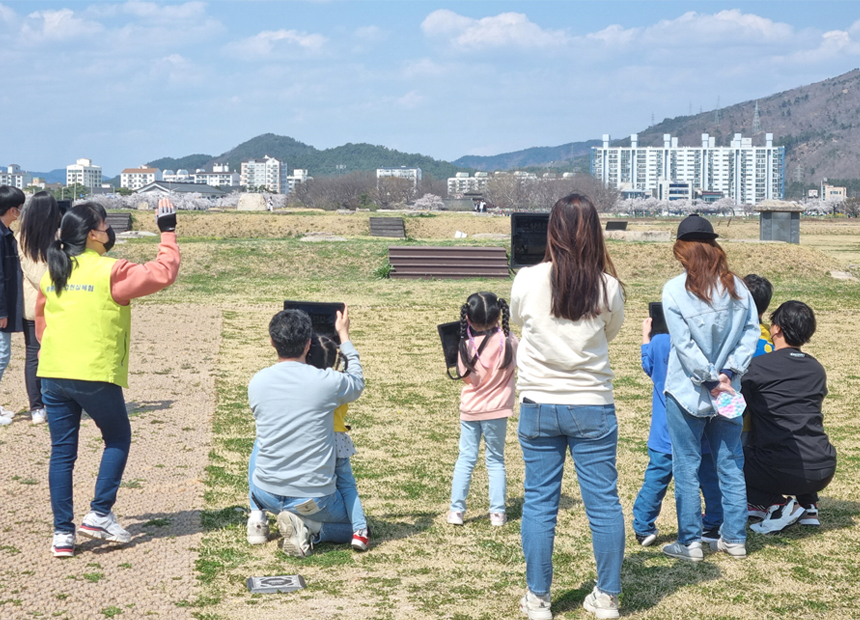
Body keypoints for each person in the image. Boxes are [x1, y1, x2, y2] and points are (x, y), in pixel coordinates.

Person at [37, 199, 180, 558]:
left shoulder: (52, 271)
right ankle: (99, 512)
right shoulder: (111, 271)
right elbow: (163, 273)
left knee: (62, 453)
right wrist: (168, 230)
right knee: (117, 437)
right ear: (92, 235)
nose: (108, 230)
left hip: (52, 372)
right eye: (103, 225)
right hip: (95, 372)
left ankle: (62, 534)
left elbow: (42, 327)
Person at [511, 193, 625, 620]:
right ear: (594, 230)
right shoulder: (608, 285)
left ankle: (538, 598)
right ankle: (606, 597)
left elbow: (522, 320)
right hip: (592, 402)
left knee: (540, 503)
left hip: (538, 401)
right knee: (604, 504)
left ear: (552, 229)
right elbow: (609, 334)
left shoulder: (528, 278)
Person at [660, 214, 759, 563]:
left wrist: (709, 379)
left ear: (682, 251)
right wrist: (729, 373)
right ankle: (734, 538)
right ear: (714, 247)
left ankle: (690, 542)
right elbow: (751, 334)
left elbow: (684, 346)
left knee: (686, 466)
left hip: (689, 391)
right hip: (729, 391)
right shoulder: (738, 288)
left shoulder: (674, 290)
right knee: (730, 462)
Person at [247, 308, 364, 557]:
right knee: (353, 527)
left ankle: (256, 518)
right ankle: (311, 527)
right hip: (313, 500)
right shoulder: (326, 381)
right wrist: (344, 336)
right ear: (308, 343)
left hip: (265, 493)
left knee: (260, 440)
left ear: (272, 342)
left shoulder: (257, 382)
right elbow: (356, 382)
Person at [742, 301, 836, 534]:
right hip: (824, 467)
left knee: (727, 459)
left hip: (782, 469)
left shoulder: (758, 367)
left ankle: (779, 503)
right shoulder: (817, 369)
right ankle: (809, 505)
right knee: (800, 435)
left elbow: (737, 406)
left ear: (776, 329)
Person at [631, 316, 723, 547]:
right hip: (700, 430)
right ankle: (714, 522)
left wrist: (646, 336)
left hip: (664, 433)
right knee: (709, 480)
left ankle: (643, 527)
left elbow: (648, 365)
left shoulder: (660, 342)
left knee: (656, 480)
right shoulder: (707, 344)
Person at [446, 291, 518, 528]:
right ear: (499, 317)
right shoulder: (509, 341)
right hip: (498, 410)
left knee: (466, 458)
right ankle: (497, 513)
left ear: (467, 318)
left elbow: (468, 380)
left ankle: (456, 510)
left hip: (471, 410)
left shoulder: (464, 345)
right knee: (495, 459)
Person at [17, 191, 63, 425]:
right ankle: (38, 406)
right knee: (36, 356)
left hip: (37, 304)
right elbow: (37, 275)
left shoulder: (24, 237)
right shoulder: (25, 239)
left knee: (41, 355)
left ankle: (46, 403)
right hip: (43, 305)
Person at [0, 185, 25, 425]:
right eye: (20, 207)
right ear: (12, 210)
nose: (22, 211)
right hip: (1, 308)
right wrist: (2, 311)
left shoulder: (6, 233)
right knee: (1, 356)